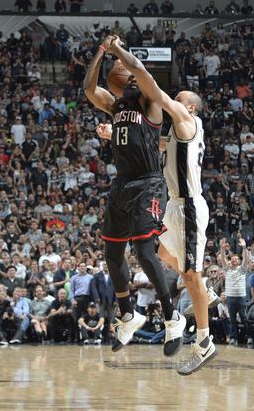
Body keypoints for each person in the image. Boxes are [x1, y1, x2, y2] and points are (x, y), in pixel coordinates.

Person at [102, 36, 217, 374]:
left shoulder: (184, 116)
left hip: (189, 207)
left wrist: (121, 51)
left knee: (191, 276)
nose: (173, 101)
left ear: (189, 107)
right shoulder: (181, 131)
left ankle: (204, 342)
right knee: (161, 254)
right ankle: (201, 287)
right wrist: (114, 135)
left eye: (179, 99)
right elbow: (158, 141)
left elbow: (150, 86)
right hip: (174, 207)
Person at [83, 35, 185, 355]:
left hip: (148, 183)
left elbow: (138, 66)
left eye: (119, 66)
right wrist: (101, 51)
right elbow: (88, 88)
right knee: (112, 255)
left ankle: (172, 317)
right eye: (115, 65)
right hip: (122, 184)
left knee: (143, 251)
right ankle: (128, 313)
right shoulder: (115, 106)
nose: (117, 67)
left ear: (129, 78)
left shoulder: (150, 100)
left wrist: (117, 50)